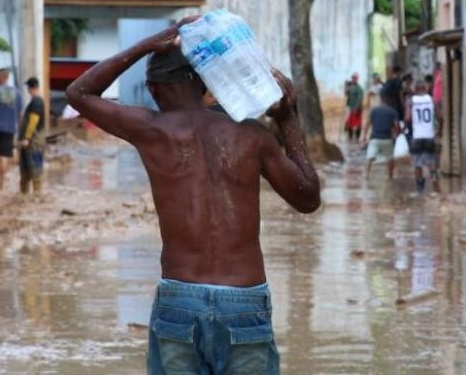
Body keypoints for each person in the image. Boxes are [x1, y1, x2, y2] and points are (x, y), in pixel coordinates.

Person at [65, 19, 320, 374]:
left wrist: (146, 45)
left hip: (179, 298)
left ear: (154, 89)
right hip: (244, 300)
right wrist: (288, 115)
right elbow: (308, 198)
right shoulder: (252, 136)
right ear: (205, 84)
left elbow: (78, 93)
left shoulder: (152, 130)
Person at [405, 80, 439, 194]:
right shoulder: (431, 99)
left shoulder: (411, 101)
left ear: (415, 89)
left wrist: (406, 126)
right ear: (425, 88)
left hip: (417, 136)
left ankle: (420, 190)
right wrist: (438, 130)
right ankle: (435, 189)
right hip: (430, 136)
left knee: (417, 164)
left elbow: (408, 118)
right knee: (432, 163)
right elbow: (439, 115)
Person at [361, 90, 400, 179]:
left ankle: (366, 175)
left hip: (374, 139)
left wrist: (364, 137)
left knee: (369, 157)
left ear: (381, 100)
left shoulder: (374, 110)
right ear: (389, 101)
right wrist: (396, 135)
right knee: (390, 158)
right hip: (387, 138)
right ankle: (390, 176)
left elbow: (367, 124)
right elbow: (396, 126)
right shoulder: (392, 111)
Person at [18, 78, 46, 194]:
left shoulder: (36, 102)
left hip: (33, 141)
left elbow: (33, 121)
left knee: (35, 168)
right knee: (26, 169)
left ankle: (37, 194)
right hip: (31, 140)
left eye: (28, 88)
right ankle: (25, 195)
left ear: (30, 88)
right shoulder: (35, 101)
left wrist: (27, 138)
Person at [345, 73, 364, 141]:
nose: (353, 79)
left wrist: (357, 108)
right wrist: (346, 87)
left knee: (357, 123)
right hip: (350, 107)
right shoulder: (350, 87)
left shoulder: (359, 88)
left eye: (355, 78)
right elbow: (346, 94)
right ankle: (350, 136)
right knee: (349, 122)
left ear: (357, 79)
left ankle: (357, 137)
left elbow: (360, 99)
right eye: (353, 78)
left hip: (357, 108)